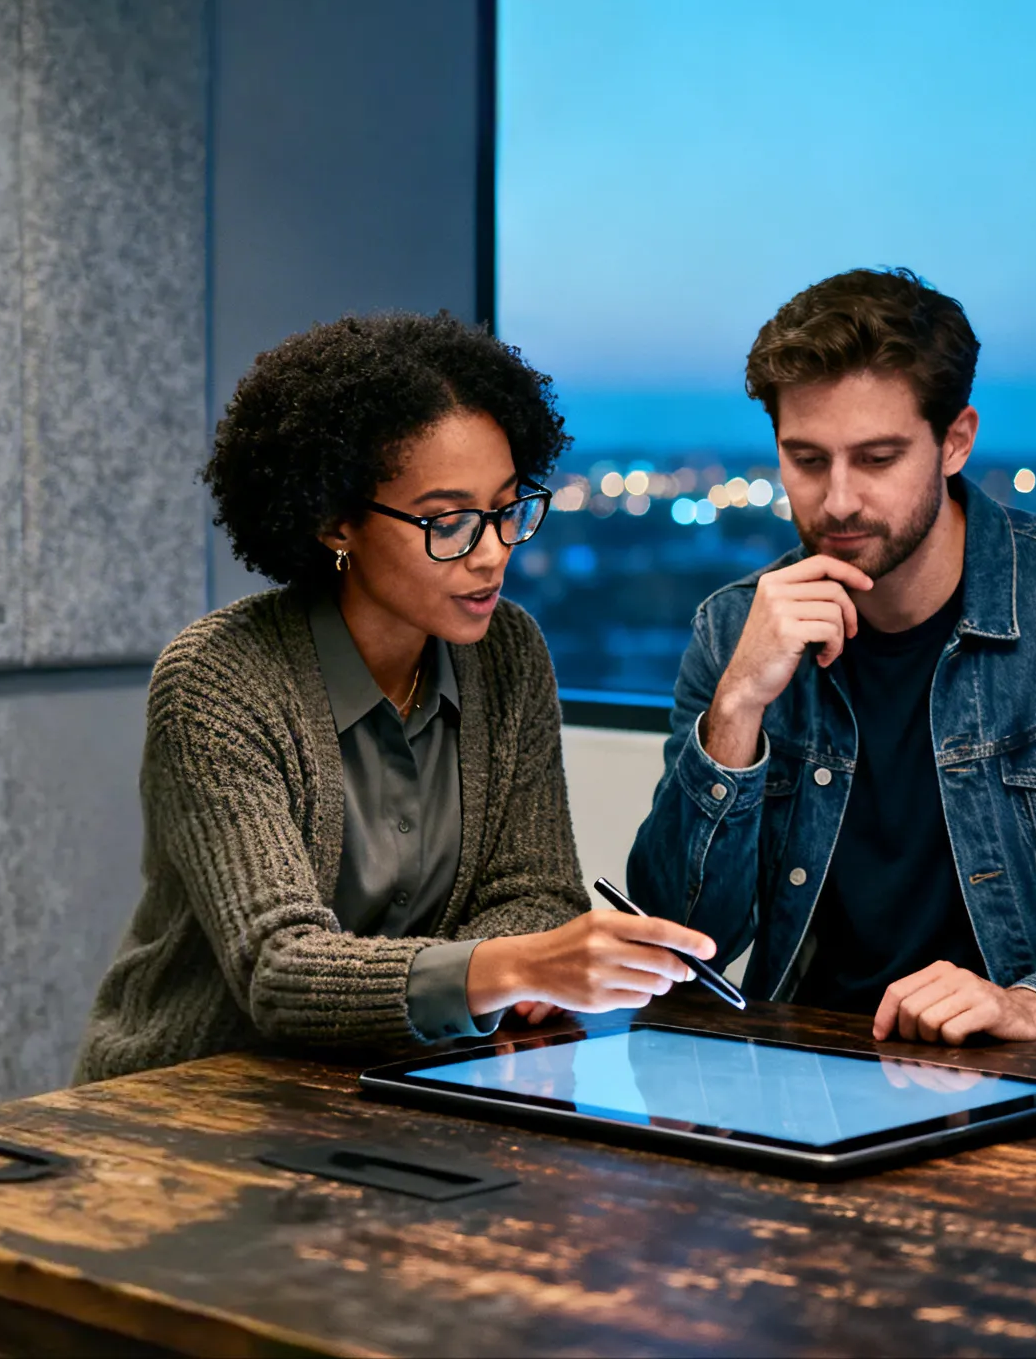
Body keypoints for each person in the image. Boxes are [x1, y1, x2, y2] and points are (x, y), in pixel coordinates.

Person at [77, 312, 718, 1082]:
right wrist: (515, 968)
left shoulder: (509, 654)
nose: (491, 555)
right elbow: (281, 972)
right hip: (191, 1103)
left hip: (401, 1087)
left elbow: (537, 891)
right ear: (335, 521)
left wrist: (514, 962)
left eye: (507, 510)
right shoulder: (218, 680)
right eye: (447, 522)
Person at [626, 268, 1036, 1047]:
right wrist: (735, 710)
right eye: (806, 459)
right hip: (801, 1071)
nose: (837, 501)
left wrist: (1035, 1003)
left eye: (876, 459)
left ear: (955, 441)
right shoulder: (735, 628)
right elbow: (683, 941)